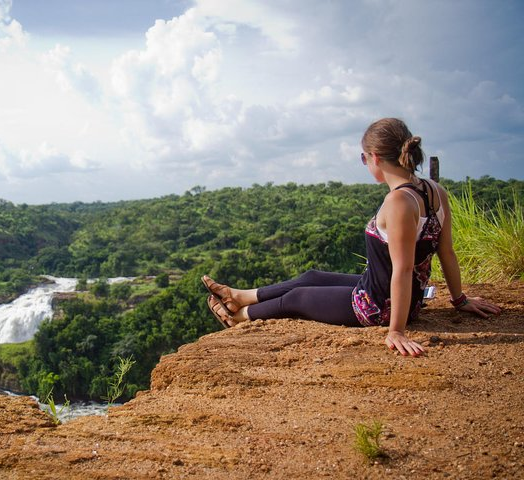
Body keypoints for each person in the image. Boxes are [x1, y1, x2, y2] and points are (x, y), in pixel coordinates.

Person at [203, 117, 501, 357]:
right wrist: (459, 300)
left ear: (375, 158)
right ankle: (239, 296)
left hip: (377, 305)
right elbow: (446, 251)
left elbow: (403, 269)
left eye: (364, 158)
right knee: (311, 277)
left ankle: (239, 317)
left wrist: (395, 330)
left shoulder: (398, 203)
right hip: (384, 289)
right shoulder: (435, 191)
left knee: (297, 298)